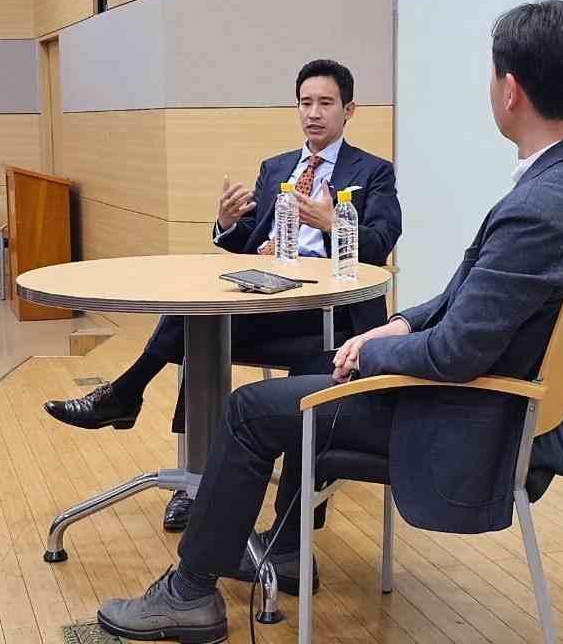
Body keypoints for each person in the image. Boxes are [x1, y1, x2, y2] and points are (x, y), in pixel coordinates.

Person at [91, 0, 563, 643]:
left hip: (467, 418)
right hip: (512, 409)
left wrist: (368, 353)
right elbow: (466, 296)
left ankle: (189, 594)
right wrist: (399, 325)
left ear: (510, 90)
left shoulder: (535, 207)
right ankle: (277, 548)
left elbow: (454, 351)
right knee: (287, 383)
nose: (312, 112)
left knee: (251, 409)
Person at [43, 59, 402, 531]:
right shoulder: (277, 168)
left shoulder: (373, 172)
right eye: (305, 103)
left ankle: (126, 397)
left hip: (327, 319)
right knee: (199, 319)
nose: (313, 113)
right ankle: (196, 480)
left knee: (269, 352)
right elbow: (251, 240)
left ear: (348, 110)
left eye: (325, 103)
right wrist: (228, 224)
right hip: (268, 303)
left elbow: (379, 245)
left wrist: (332, 222)